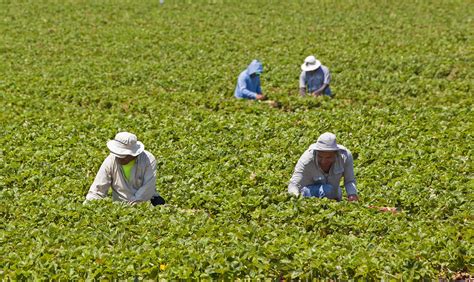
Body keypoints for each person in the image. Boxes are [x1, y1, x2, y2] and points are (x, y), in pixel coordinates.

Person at [84, 132, 165, 206]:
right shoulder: (111, 160)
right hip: (121, 205)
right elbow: (97, 189)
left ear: (134, 154)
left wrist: (135, 204)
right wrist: (88, 205)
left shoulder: (148, 159)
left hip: (146, 202)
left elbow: (148, 186)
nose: (119, 158)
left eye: (123, 156)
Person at [288, 132, 358, 201]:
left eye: (328, 157)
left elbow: (349, 180)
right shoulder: (306, 160)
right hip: (308, 193)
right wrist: (295, 199)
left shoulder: (345, 157)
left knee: (334, 193)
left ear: (335, 154)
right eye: (320, 157)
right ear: (316, 152)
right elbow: (294, 184)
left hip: (333, 192)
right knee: (328, 190)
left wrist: (352, 195)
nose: (323, 161)